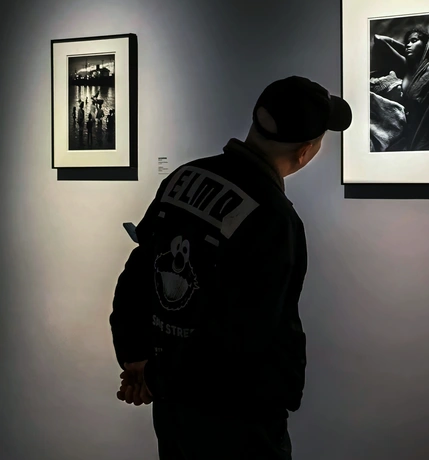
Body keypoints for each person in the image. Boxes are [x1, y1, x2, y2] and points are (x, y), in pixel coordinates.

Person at [109, 76, 352, 459]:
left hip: (174, 407)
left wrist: (137, 359)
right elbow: (242, 336)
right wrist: (153, 376)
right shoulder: (274, 217)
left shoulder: (184, 177)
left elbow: (137, 274)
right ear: (305, 151)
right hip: (237, 415)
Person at [371, 27, 429, 151]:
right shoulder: (405, 67)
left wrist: (421, 50)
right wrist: (407, 48)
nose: (408, 44)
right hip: (405, 131)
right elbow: (379, 39)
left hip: (426, 135)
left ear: (425, 45)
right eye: (407, 42)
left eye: (414, 41)